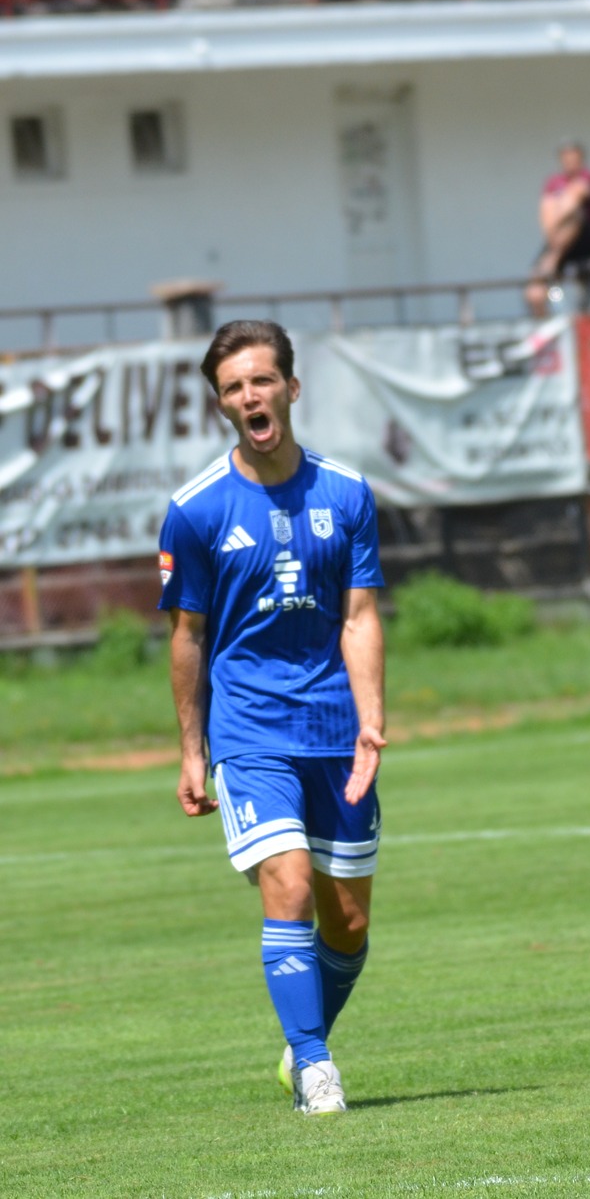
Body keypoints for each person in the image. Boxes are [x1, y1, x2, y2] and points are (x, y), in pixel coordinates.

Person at [159, 320, 387, 1116]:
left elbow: (360, 617)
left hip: (334, 730)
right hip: (249, 729)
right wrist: (193, 748)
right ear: (221, 405)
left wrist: (371, 720)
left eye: (262, 380)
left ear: (291, 388)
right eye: (233, 387)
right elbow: (187, 637)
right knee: (287, 883)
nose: (250, 396)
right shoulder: (194, 511)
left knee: (348, 923)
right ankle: (318, 1070)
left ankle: (300, 1041)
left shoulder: (347, 493)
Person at [523, 141, 590, 316]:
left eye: (574, 159)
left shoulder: (588, 176)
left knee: (574, 215)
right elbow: (545, 209)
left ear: (581, 159)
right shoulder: (554, 181)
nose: (570, 163)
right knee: (535, 289)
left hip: (585, 241)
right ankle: (545, 321)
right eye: (566, 159)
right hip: (557, 241)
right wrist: (552, 231)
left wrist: (555, 220)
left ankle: (553, 259)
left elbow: (575, 198)